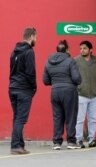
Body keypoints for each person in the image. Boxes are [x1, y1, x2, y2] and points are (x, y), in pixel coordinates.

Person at [43, 40, 82, 150]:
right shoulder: (70, 61)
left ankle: (57, 142)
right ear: (67, 50)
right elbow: (76, 78)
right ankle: (71, 142)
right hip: (69, 91)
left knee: (57, 117)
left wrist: (56, 83)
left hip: (55, 91)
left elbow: (45, 81)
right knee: (70, 116)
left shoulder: (48, 61)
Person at [9, 27, 37, 155]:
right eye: (35, 37)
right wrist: (34, 87)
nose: (36, 40)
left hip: (12, 88)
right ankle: (15, 146)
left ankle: (20, 145)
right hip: (23, 89)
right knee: (20, 119)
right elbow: (30, 72)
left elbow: (12, 71)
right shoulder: (29, 52)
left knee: (17, 118)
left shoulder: (14, 52)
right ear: (31, 37)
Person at [75, 40, 96, 148]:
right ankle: (79, 140)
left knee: (93, 119)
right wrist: (78, 88)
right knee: (80, 119)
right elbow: (73, 75)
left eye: (84, 48)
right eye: (81, 48)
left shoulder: (95, 60)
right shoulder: (76, 60)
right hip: (81, 95)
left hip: (94, 96)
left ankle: (92, 140)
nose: (82, 50)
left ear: (90, 50)